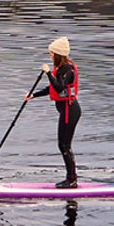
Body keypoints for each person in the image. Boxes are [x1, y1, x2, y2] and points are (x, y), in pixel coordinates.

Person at [25, 35, 81, 188]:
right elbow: (52, 89)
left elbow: (59, 87)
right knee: (63, 145)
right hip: (67, 110)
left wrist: (48, 73)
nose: (50, 55)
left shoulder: (67, 69)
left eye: (51, 53)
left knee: (64, 145)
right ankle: (71, 178)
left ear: (58, 54)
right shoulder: (61, 69)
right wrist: (34, 95)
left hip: (70, 110)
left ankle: (72, 180)